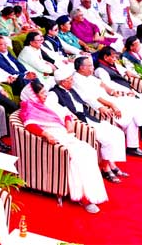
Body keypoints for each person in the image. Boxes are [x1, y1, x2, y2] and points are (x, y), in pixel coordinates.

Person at [20, 80, 108, 213]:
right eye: (42, 93)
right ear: (33, 95)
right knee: (77, 157)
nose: (46, 95)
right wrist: (46, 134)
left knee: (89, 151)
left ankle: (92, 193)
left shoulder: (46, 103)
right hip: (53, 138)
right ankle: (83, 197)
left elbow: (64, 112)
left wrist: (69, 122)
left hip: (64, 134)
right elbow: (30, 125)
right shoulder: (29, 107)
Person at [50, 66, 128, 183]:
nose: (72, 81)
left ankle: (111, 163)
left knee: (117, 132)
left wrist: (100, 107)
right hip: (79, 122)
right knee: (108, 138)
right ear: (63, 82)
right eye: (70, 79)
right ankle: (105, 168)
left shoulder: (71, 89)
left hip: (87, 116)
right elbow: (52, 109)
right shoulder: (54, 94)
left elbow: (87, 99)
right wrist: (68, 116)